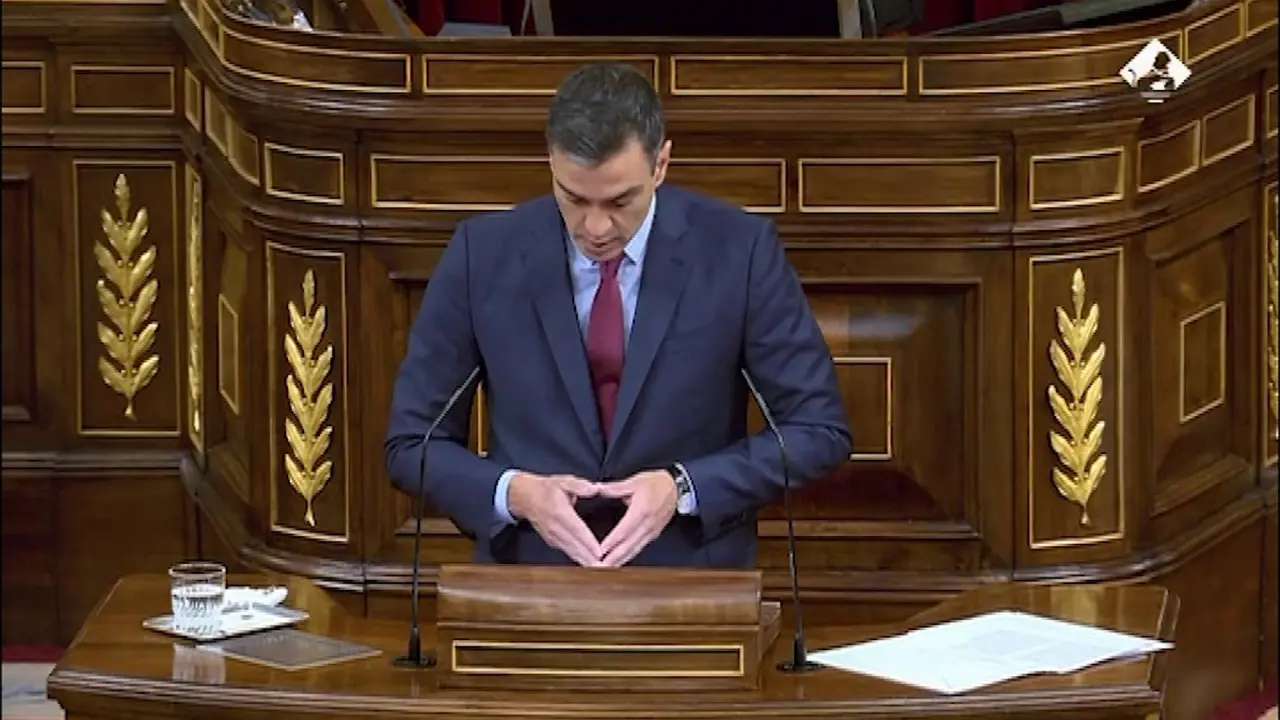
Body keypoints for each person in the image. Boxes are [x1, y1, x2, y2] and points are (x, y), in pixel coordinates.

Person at [384, 62, 851, 568]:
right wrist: (516, 493)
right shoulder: (481, 255)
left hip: (690, 578)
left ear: (660, 164)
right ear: (550, 162)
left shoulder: (739, 253)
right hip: (531, 577)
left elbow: (817, 430)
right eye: (573, 198)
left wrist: (683, 488)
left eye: (620, 201)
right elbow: (412, 444)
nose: (596, 227)